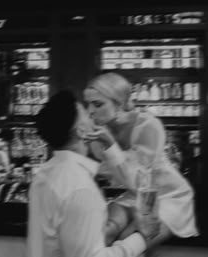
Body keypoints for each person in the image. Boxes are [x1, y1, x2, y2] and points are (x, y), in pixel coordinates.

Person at [27, 90, 159, 257]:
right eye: (87, 115)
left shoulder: (46, 173)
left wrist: (109, 144)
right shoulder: (81, 188)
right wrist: (142, 238)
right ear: (81, 131)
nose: (92, 115)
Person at [83, 72, 199, 247]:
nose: (90, 111)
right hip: (134, 195)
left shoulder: (147, 125)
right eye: (88, 104)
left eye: (98, 104)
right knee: (104, 233)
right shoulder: (100, 135)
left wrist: (111, 145)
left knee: (128, 240)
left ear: (119, 103)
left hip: (167, 196)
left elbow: (141, 182)